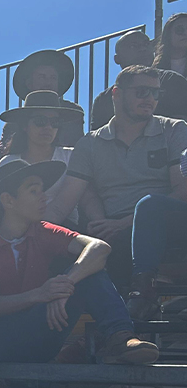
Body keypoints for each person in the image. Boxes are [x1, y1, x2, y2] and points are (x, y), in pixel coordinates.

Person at [0, 160, 160, 388]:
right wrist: (42, 294)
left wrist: (64, 284)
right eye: (34, 190)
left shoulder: (42, 231)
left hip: (39, 329)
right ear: (7, 200)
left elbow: (99, 248)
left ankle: (120, 336)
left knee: (89, 270)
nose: (45, 197)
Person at [45, 65, 187, 312]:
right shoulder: (89, 144)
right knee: (78, 248)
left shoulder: (174, 129)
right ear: (117, 94)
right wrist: (25, 234)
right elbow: (62, 204)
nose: (150, 100)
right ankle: (98, 337)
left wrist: (123, 223)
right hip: (114, 233)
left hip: (167, 222)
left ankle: (143, 289)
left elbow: (182, 191)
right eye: (142, 92)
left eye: (156, 94)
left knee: (149, 204)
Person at [0, 91, 84, 225]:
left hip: (63, 229)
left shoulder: (72, 157)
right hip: (18, 230)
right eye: (40, 121)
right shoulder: (8, 163)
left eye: (55, 122)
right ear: (25, 126)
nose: (48, 127)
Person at [90, 30, 187, 130]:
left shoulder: (172, 81)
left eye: (146, 44)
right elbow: (97, 140)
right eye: (133, 46)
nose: (143, 48)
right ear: (117, 59)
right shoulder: (103, 100)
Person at [12, 50, 85, 147]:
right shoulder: (17, 117)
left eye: (53, 78)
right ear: (29, 83)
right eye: (42, 77)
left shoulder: (72, 112)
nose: (48, 83)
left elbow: (77, 145)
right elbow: (1, 150)